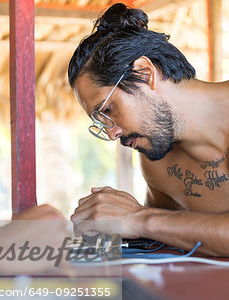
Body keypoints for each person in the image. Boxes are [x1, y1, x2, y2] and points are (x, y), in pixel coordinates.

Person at [68, 3, 229, 257]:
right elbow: (167, 238)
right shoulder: (157, 162)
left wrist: (140, 219)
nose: (111, 135)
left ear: (144, 73)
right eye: (100, 122)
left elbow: (149, 221)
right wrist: (116, 227)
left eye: (108, 110)